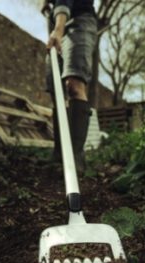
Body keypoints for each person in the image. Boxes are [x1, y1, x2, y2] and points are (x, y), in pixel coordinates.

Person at [41, 0, 97, 173]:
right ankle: (59, 154)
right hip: (57, 25)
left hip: (79, 21)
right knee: (56, 92)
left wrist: (58, 30)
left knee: (74, 84)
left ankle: (75, 157)